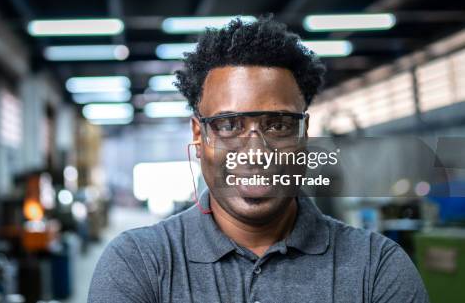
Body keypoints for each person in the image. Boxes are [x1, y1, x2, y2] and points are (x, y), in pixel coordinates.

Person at [88, 17, 429, 303]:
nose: (255, 152)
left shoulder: (377, 268)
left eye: (277, 124)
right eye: (229, 124)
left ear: (304, 133)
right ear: (198, 134)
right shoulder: (139, 265)